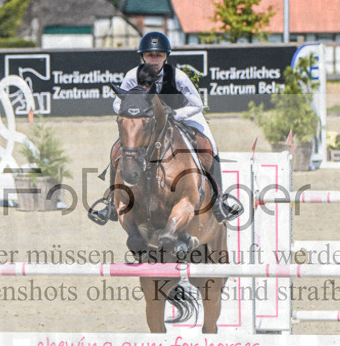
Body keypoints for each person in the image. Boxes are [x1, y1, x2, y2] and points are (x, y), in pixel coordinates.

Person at [89, 31, 243, 224]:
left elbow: (197, 104)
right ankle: (111, 204)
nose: (154, 59)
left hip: (184, 116)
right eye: (150, 55)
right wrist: (137, 112)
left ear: (165, 57)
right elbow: (117, 104)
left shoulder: (178, 76)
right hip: (148, 122)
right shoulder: (132, 77)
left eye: (159, 55)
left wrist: (176, 115)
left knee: (210, 145)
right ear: (143, 56)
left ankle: (220, 201)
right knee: (117, 148)